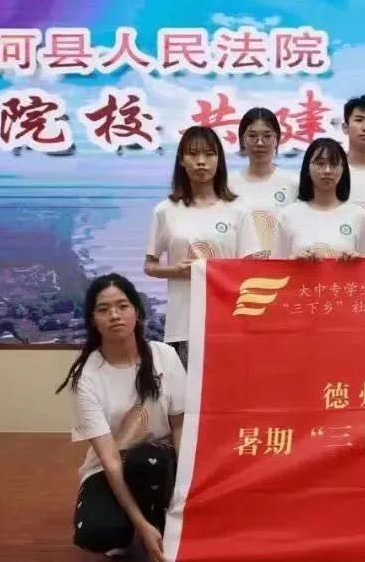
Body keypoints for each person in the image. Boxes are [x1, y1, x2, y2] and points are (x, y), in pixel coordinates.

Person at [57, 273, 188, 562]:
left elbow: (179, 426)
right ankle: (137, 521)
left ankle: (159, 513)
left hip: (160, 462)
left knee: (147, 462)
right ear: (93, 320)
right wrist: (139, 524)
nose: (114, 315)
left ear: (137, 312)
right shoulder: (87, 377)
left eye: (122, 306)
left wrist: (183, 491)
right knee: (97, 532)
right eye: (103, 309)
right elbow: (111, 460)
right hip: (113, 466)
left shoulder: (164, 356)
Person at [145, 126, 264, 366]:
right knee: (186, 388)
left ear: (219, 160)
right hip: (184, 324)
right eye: (193, 154)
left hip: (229, 321)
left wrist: (216, 270)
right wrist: (176, 271)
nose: (201, 162)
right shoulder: (165, 211)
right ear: (181, 160)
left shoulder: (238, 210)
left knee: (230, 386)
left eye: (209, 154)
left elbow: (251, 269)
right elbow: (150, 265)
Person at [273, 138, 365, 260]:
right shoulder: (288, 215)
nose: (327, 171)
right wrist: (293, 261)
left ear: (343, 169)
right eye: (320, 164)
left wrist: (357, 260)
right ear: (307, 168)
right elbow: (276, 266)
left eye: (334, 164)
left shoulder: (358, 215)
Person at [228, 107, 299, 252]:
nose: (260, 143)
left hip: (282, 263)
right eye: (252, 136)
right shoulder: (228, 183)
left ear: (277, 140)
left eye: (267, 136)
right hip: (240, 264)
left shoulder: (294, 182)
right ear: (242, 141)